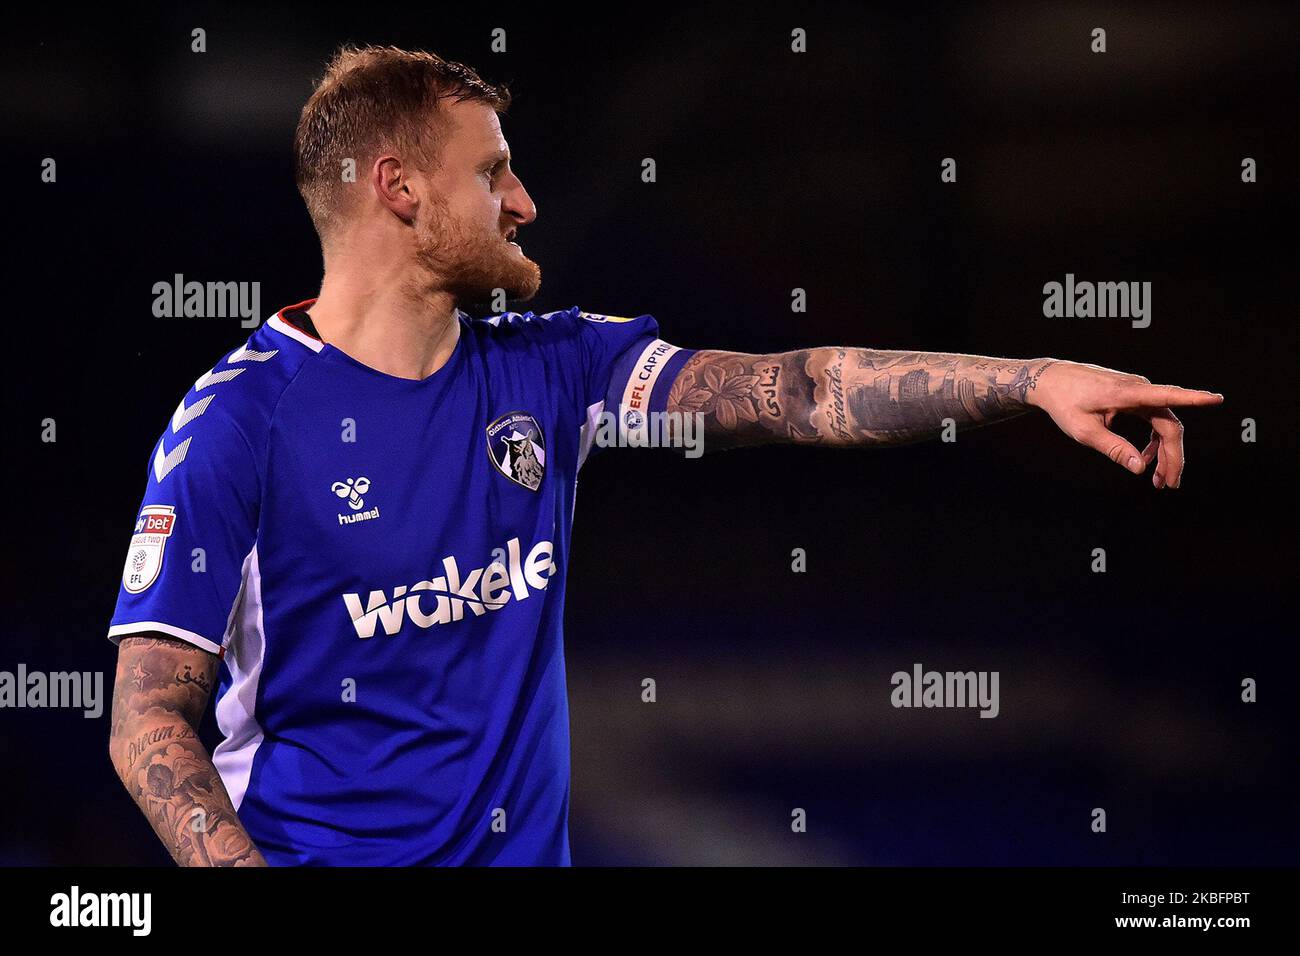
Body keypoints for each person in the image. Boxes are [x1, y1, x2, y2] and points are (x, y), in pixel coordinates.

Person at [106, 45, 1222, 866]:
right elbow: (150, 717)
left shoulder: (552, 367)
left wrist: (1028, 379)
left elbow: (799, 390)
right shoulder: (237, 424)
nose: (525, 200)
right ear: (399, 187)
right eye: (493, 172)